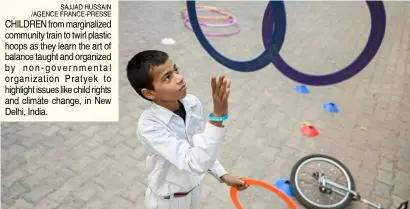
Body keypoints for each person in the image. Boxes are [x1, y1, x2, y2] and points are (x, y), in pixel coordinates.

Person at [126, 50, 249, 209]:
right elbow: (193, 161)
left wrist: (222, 174)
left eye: (175, 70)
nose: (180, 78)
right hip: (167, 201)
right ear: (149, 93)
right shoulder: (149, 126)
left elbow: (199, 145)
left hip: (194, 192)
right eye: (168, 77)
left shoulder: (191, 103)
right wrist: (217, 117)